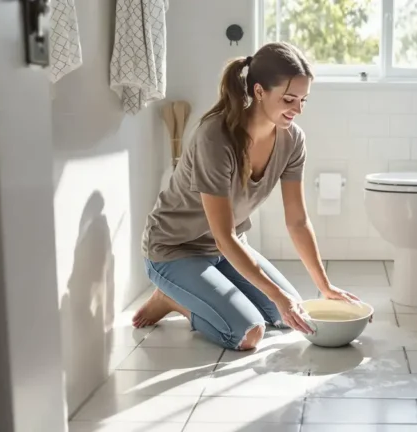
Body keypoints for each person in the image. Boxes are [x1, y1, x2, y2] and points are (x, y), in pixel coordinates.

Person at [134, 42, 361, 351]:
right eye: (289, 99)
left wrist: (324, 286)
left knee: (288, 316)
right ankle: (173, 299)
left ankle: (200, 289)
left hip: (226, 249)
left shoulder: (293, 140)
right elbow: (223, 235)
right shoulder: (216, 137)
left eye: (303, 100)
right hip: (174, 249)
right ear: (259, 92)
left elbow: (297, 220)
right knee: (248, 333)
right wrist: (279, 297)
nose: (297, 109)